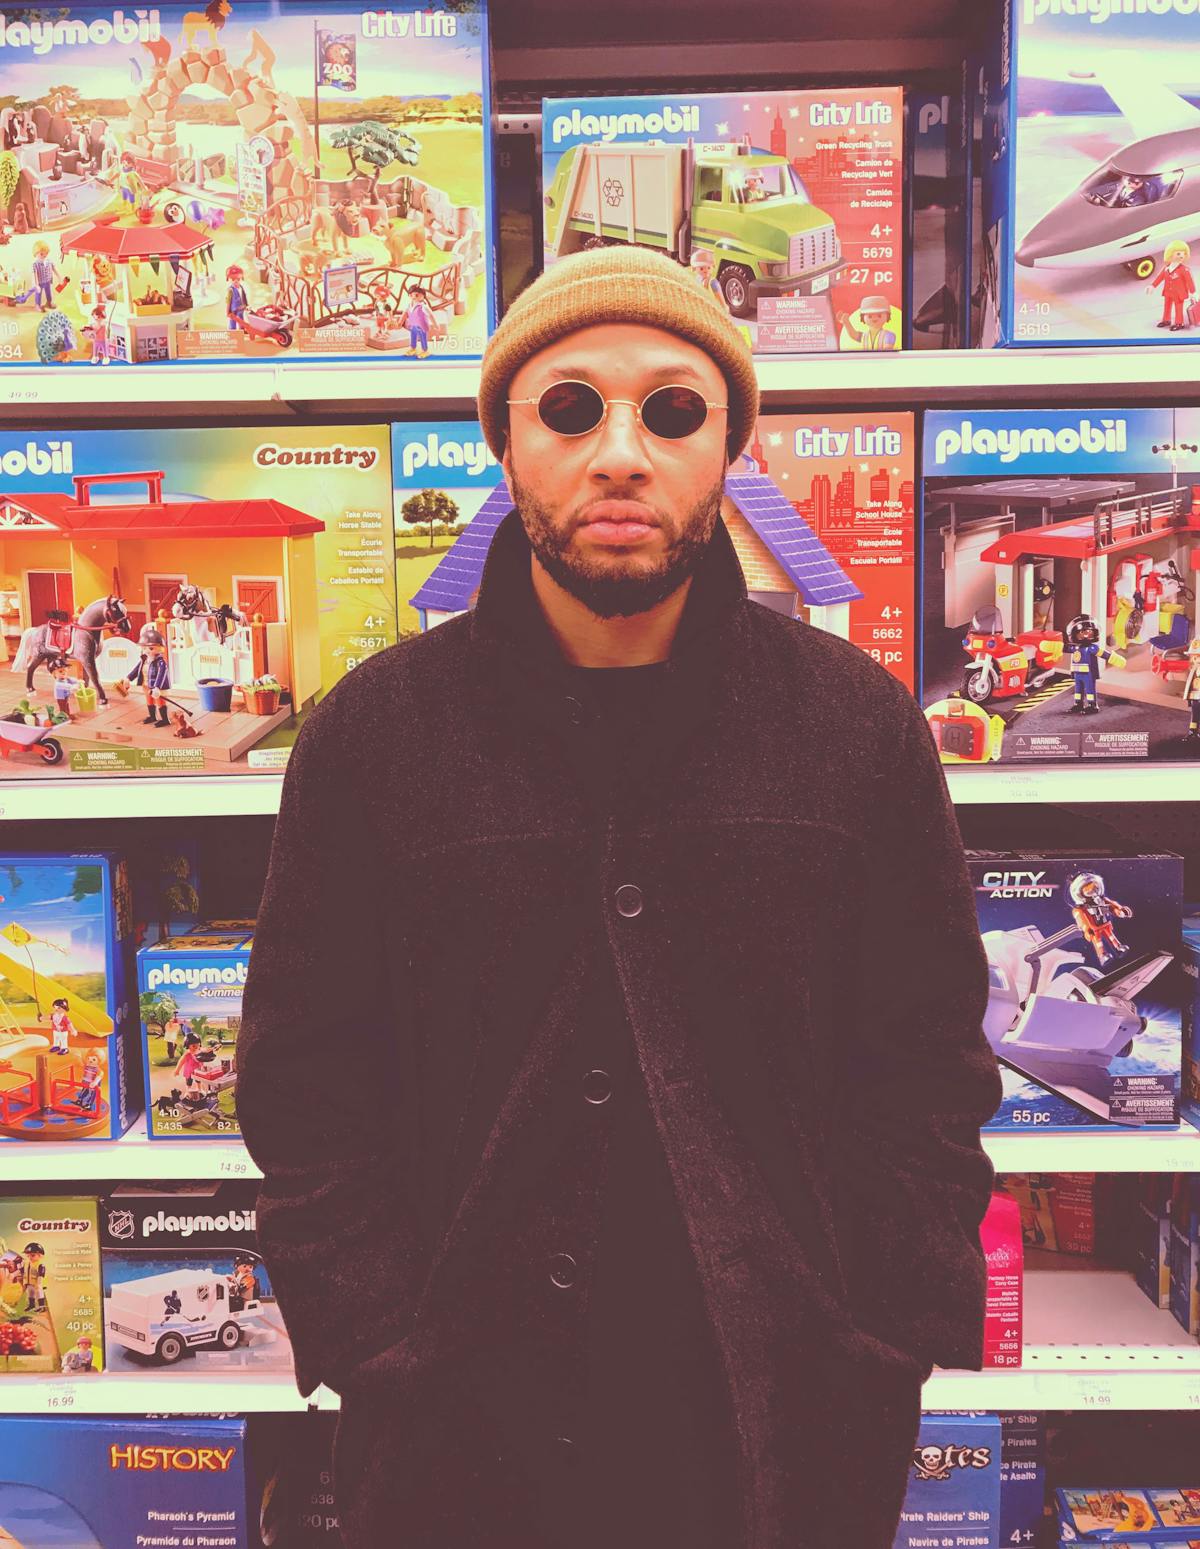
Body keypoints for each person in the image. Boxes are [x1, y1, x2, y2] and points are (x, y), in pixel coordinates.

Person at [238, 244, 1001, 1549]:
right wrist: (376, 1338)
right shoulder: (372, 737)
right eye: (571, 407)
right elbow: (304, 1081)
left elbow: (927, 1065)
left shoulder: (856, 729)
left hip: (783, 1426)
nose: (622, 454)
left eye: (675, 409)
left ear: (731, 448)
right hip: (453, 1439)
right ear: (504, 444)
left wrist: (876, 1337)